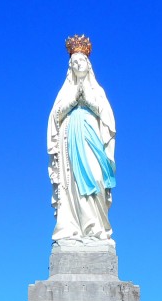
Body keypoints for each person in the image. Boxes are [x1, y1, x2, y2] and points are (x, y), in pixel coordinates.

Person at [49, 36, 117, 246]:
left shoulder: (97, 90)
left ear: (89, 64)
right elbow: (55, 116)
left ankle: (96, 230)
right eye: (75, 61)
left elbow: (108, 119)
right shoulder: (65, 91)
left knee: (96, 178)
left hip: (92, 139)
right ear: (71, 67)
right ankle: (73, 229)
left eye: (82, 60)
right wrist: (72, 101)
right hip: (71, 142)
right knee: (74, 186)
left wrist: (86, 100)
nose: (79, 64)